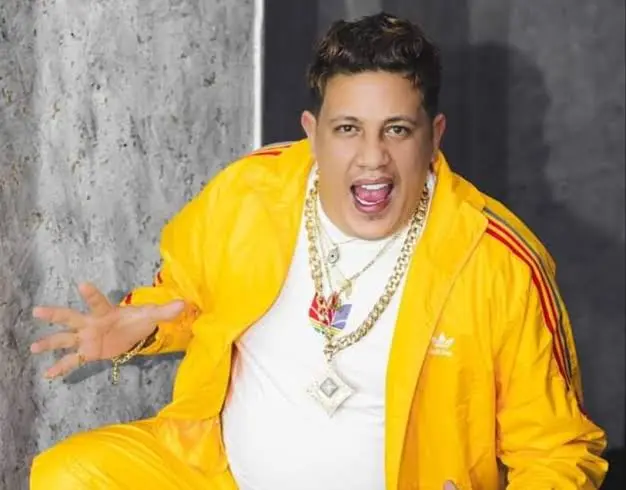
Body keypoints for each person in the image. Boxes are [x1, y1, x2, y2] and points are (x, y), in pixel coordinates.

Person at [29, 12, 608, 490]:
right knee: (68, 476)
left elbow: (559, 452)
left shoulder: (499, 262)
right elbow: (187, 298)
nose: (373, 157)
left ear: (434, 136)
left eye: (397, 130)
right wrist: (142, 327)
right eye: (348, 128)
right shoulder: (251, 192)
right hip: (221, 475)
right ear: (312, 131)